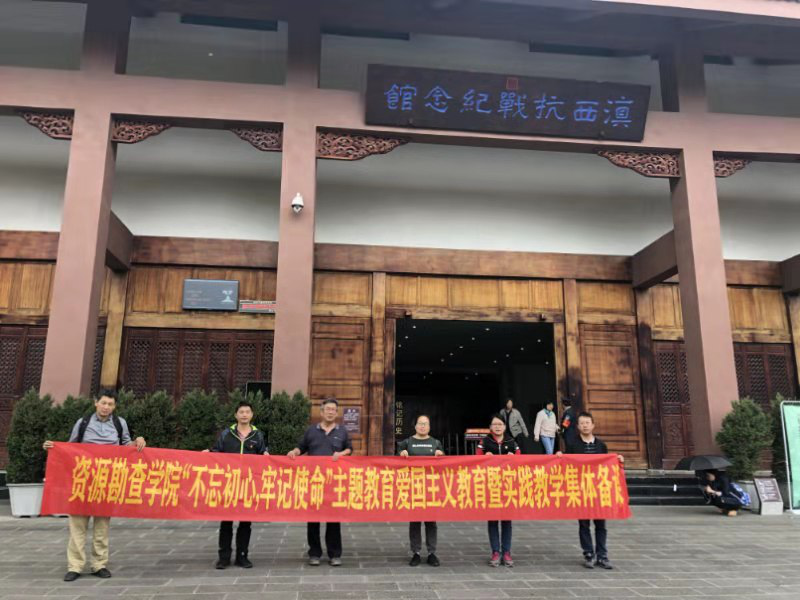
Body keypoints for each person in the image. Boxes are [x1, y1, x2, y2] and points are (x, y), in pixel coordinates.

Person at [42, 388, 146, 582]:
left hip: (107, 483)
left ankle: (99, 564)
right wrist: (53, 447)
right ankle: (75, 566)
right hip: (83, 482)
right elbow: (70, 447)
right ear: (96, 403)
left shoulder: (120, 423)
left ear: (114, 406)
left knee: (102, 527)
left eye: (110, 404)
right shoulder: (83, 423)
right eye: (103, 403)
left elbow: (127, 446)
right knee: (78, 526)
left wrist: (137, 441)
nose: (106, 407)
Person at [287, 397, 352, 566]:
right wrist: (294, 452)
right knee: (313, 519)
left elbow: (349, 449)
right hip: (314, 482)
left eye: (333, 410)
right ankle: (314, 553)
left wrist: (341, 454)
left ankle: (334, 554)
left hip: (334, 483)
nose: (330, 412)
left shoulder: (342, 431)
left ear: (336, 413)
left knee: (333, 520)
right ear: (321, 412)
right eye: (327, 409)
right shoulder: (311, 431)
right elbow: (301, 447)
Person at [557, 411, 624, 570]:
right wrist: (560, 456)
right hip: (582, 490)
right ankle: (588, 554)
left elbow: (607, 465)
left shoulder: (601, 445)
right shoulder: (573, 445)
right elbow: (567, 463)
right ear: (578, 426)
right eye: (582, 423)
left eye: (587, 422)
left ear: (593, 425)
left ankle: (602, 555)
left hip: (599, 490)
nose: (585, 425)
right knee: (584, 524)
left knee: (601, 525)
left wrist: (618, 460)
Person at [206, 400, 268, 569]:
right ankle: (224, 557)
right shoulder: (227, 434)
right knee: (226, 521)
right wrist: (207, 454)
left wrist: (265, 455)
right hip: (229, 484)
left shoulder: (257, 435)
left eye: (247, 412)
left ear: (252, 415)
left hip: (248, 485)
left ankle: (242, 556)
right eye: (241, 412)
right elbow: (216, 452)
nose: (244, 415)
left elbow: (262, 454)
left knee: (245, 522)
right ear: (236, 415)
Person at [397, 414, 445, 567]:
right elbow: (395, 463)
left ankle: (432, 553)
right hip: (413, 488)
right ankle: (416, 552)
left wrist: (441, 455)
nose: (423, 426)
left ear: (429, 427)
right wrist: (401, 454)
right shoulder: (407, 442)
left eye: (426, 424)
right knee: (415, 521)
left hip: (431, 488)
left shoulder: (435, 443)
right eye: (420, 423)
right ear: (415, 426)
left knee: (431, 522)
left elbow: (444, 465)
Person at [476, 414, 521, 567]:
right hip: (491, 486)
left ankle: (506, 552)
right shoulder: (484, 442)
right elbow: (476, 460)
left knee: (507, 520)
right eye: (494, 424)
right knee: (493, 520)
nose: (497, 427)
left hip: (508, 487)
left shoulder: (511, 442)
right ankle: (495, 552)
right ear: (490, 427)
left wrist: (513, 458)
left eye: (500, 424)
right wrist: (484, 457)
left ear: (505, 427)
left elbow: (521, 460)